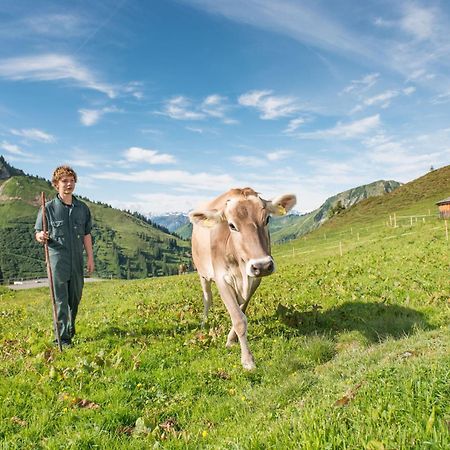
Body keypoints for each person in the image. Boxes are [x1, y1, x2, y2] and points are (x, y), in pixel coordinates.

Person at [35, 165, 94, 347]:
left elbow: (86, 235)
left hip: (77, 260)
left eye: (71, 180)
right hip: (58, 261)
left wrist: (90, 258)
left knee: (74, 298)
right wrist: (41, 236)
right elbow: (38, 232)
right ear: (56, 184)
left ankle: (69, 329)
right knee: (60, 300)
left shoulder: (82, 208)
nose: (69, 184)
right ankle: (61, 338)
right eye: (64, 181)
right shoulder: (48, 209)